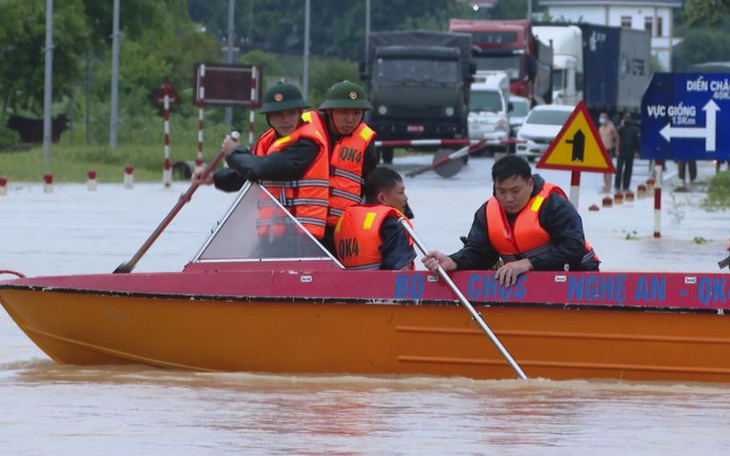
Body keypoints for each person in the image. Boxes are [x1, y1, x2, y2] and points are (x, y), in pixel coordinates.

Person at [422, 155, 599, 287]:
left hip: (576, 279)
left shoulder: (553, 204)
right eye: (502, 191)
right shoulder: (487, 212)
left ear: (530, 184)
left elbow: (573, 247)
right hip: (529, 285)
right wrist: (453, 261)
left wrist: (528, 264)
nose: (508, 198)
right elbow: (479, 253)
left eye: (515, 191)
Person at [193, 81, 330, 240]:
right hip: (275, 236)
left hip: (304, 238)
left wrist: (234, 151)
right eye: (278, 114)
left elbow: (261, 169)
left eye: (291, 113)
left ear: (300, 113)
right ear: (269, 117)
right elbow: (250, 174)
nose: (285, 120)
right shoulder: (270, 142)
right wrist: (213, 178)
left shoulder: (307, 144)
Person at [317, 80, 379, 251]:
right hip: (305, 227)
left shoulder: (366, 142)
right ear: (329, 112)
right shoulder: (309, 136)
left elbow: (374, 184)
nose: (350, 119)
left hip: (343, 231)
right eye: (343, 112)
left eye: (357, 113)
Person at [334, 167, 416, 270]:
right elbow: (401, 271)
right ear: (382, 198)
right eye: (400, 193)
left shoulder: (344, 220)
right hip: (385, 285)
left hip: (351, 285)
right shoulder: (391, 223)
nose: (405, 198)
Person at [615, 114, 640, 191]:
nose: (626, 120)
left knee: (628, 169)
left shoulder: (634, 129)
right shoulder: (621, 128)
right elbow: (616, 137)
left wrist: (636, 151)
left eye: (628, 118)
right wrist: (621, 126)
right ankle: (617, 185)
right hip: (621, 151)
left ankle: (626, 186)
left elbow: (636, 141)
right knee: (619, 169)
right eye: (625, 118)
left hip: (630, 151)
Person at [598, 112, 620, 193]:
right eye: (600, 117)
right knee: (604, 169)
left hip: (609, 149)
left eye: (603, 117)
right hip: (602, 150)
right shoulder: (600, 129)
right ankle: (605, 184)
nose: (601, 119)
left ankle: (609, 185)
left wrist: (616, 149)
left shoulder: (611, 127)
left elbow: (617, 138)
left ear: (606, 119)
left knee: (608, 169)